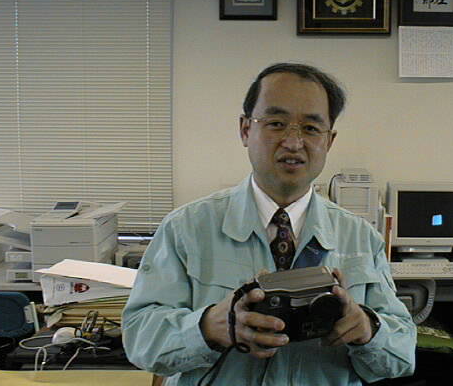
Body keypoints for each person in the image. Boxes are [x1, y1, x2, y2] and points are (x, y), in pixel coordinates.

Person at [122, 63, 416, 385]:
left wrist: (368, 330)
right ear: (245, 130)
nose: (293, 142)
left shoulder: (361, 238)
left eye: (311, 128)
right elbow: (139, 339)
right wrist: (209, 327)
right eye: (276, 123)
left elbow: (402, 356)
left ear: (329, 141)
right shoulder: (186, 228)